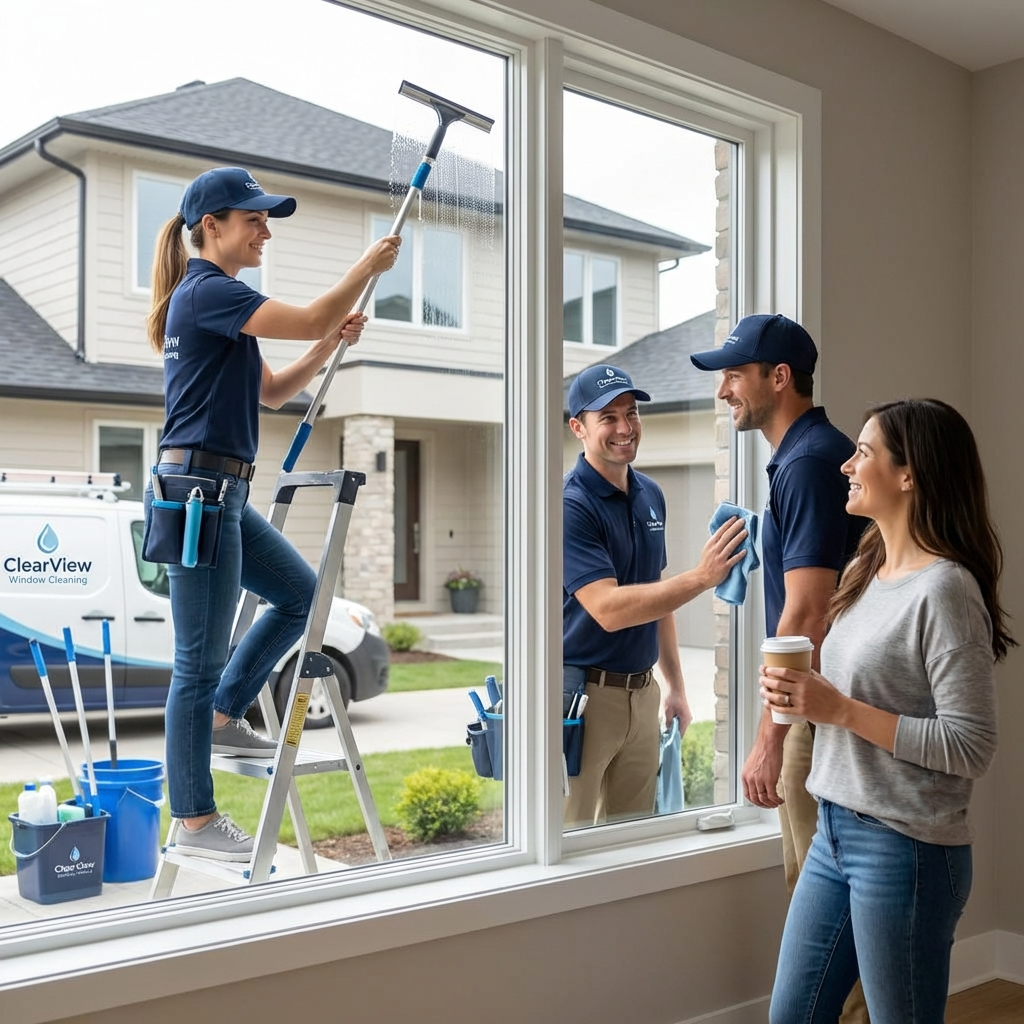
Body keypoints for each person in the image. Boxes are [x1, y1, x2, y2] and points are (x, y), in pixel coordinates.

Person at [145, 166, 400, 860]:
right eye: (253, 219)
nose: (265, 230)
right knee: (194, 663)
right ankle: (195, 821)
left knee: (299, 594)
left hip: (221, 493)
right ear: (212, 227)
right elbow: (313, 311)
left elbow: (275, 392)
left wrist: (328, 346)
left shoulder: (220, 304)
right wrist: (367, 263)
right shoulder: (208, 293)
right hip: (196, 493)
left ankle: (227, 713)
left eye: (267, 220)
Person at [761, 399, 1009, 1023]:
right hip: (835, 831)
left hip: (907, 848)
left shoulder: (946, 590)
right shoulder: (868, 568)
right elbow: (866, 689)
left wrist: (838, 709)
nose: (847, 464)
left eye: (864, 452)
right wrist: (806, 695)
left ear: (909, 474)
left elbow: (971, 745)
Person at [690, 314, 870, 1023]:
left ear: (779, 378)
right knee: (822, 904)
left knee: (821, 910)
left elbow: (806, 615)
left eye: (734, 374)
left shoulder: (807, 463)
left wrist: (770, 736)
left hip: (817, 711)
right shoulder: (812, 455)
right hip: (822, 704)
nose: (724, 389)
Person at [562, 364, 747, 828]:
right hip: (582, 697)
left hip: (641, 694)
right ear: (578, 427)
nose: (625, 428)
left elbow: (655, 598)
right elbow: (607, 610)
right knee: (569, 838)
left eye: (632, 413)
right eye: (608, 417)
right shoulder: (568, 505)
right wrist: (703, 577)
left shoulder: (650, 494)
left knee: (635, 837)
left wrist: (676, 688)